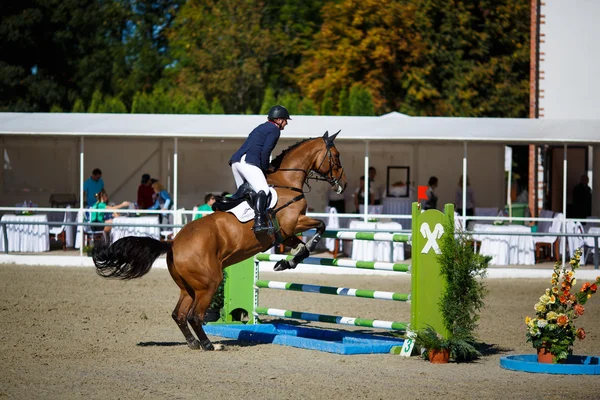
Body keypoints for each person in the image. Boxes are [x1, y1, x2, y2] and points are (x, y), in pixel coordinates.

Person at [229, 105, 291, 233]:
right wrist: (264, 168)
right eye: (285, 120)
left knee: (244, 195)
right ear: (279, 120)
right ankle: (258, 222)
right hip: (249, 162)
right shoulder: (274, 129)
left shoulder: (261, 127)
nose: (286, 124)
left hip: (236, 162)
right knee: (263, 189)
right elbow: (266, 151)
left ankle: (234, 218)